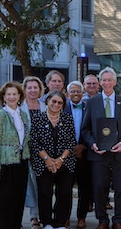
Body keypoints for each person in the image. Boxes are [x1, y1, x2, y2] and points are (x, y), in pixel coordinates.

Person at [81, 67, 121, 229]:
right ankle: (102, 220)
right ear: (100, 82)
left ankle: (118, 219)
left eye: (109, 80)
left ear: (115, 82)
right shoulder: (91, 103)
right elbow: (86, 129)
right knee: (99, 187)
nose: (106, 83)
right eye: (103, 80)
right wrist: (93, 144)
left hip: (120, 152)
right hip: (98, 153)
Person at [0, 81, 31, 229]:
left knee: (18, 197)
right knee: (3, 200)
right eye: (8, 94)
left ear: (20, 96)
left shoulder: (23, 114)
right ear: (3, 97)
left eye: (15, 94)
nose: (12, 97)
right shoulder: (0, 115)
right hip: (5, 163)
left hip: (21, 161)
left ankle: (15, 225)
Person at [30, 89, 77, 229]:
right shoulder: (38, 118)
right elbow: (34, 141)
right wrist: (47, 159)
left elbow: (71, 141)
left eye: (60, 103)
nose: (56, 104)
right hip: (43, 163)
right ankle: (47, 222)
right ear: (48, 101)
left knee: (64, 193)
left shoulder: (67, 119)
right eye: (54, 101)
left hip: (65, 162)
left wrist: (61, 159)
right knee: (45, 192)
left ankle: (60, 222)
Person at [67, 80, 94, 229]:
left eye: (78, 91)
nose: (76, 94)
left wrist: (83, 146)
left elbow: (92, 128)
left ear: (82, 94)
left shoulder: (88, 107)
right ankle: (64, 216)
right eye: (73, 91)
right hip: (66, 156)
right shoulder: (61, 107)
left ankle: (81, 217)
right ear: (68, 94)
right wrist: (72, 149)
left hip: (84, 154)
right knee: (64, 188)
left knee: (85, 188)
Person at [21, 76, 45, 229]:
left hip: (44, 153)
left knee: (42, 186)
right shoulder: (19, 107)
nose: (33, 90)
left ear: (40, 89)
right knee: (29, 186)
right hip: (25, 153)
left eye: (35, 87)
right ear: (24, 90)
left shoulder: (46, 106)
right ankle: (33, 216)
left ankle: (42, 214)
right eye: (29, 88)